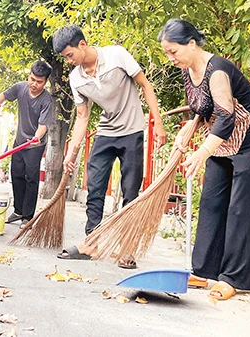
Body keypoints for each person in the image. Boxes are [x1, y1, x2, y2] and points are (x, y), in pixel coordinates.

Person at [159, 18, 250, 300]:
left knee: (241, 209)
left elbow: (226, 115)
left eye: (173, 51)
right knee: (212, 201)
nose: (170, 58)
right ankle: (204, 269)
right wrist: (190, 127)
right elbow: (203, 106)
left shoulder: (218, 70)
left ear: (191, 43)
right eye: (166, 53)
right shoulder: (189, 70)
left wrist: (202, 151)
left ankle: (234, 278)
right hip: (223, 143)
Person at [53, 24, 167, 269]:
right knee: (95, 188)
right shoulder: (76, 79)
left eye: (70, 55)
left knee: (130, 191)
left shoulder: (116, 55)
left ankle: (127, 248)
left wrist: (157, 122)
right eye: (65, 58)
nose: (69, 61)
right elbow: (83, 118)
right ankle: (92, 243)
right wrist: (71, 153)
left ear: (82, 44)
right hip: (106, 133)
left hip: (132, 130)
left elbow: (146, 85)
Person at [0, 61, 55, 229]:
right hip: (19, 141)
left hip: (34, 144)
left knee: (31, 178)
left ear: (45, 82)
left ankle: (28, 216)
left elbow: (43, 126)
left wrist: (36, 138)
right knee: (16, 175)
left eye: (39, 81)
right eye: (32, 79)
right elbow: (4, 95)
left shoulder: (46, 100)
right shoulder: (21, 87)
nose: (34, 84)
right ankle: (18, 211)